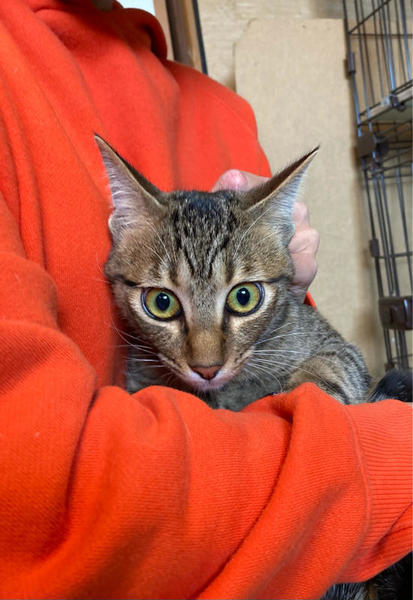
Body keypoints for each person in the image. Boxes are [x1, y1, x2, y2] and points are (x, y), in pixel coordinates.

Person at [0, 1, 410, 598]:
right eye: (164, 306)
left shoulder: (225, 110)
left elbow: (324, 353)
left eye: (239, 300)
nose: (206, 357)